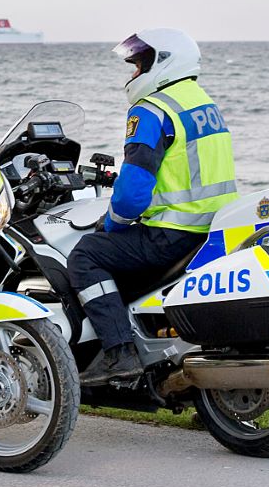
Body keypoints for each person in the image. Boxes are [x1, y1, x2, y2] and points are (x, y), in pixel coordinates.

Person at [68, 28, 238, 386]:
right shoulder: (203, 103)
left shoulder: (151, 110)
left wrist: (111, 224)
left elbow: (131, 195)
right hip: (215, 230)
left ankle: (119, 352)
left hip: (172, 233)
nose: (133, 74)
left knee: (86, 255)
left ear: (161, 63)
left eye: (137, 65)